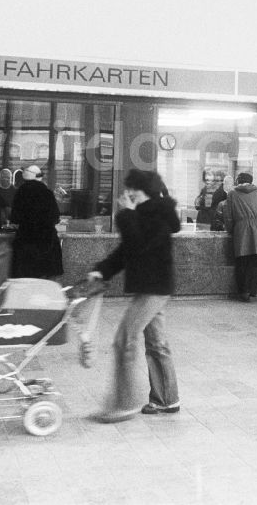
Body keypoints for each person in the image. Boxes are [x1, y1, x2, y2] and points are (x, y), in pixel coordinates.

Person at [84, 169, 182, 423]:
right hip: (153, 286)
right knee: (157, 344)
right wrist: (102, 270)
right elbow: (126, 250)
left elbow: (138, 246)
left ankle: (124, 403)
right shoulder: (145, 214)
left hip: (154, 288)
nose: (126, 193)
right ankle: (167, 400)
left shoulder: (156, 215)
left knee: (124, 340)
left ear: (143, 190)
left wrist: (126, 214)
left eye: (131, 189)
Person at [10, 165, 64, 279]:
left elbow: (14, 217)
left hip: (26, 241)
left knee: (25, 278)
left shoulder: (20, 192)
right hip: (46, 242)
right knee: (44, 279)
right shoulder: (47, 192)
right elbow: (55, 217)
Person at [222, 172, 257, 302]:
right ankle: (252, 290)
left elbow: (228, 215)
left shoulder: (232, 194)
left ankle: (243, 291)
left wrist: (231, 229)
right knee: (255, 261)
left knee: (242, 262)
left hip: (241, 230)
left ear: (238, 180)